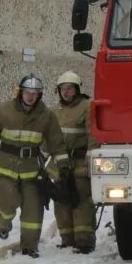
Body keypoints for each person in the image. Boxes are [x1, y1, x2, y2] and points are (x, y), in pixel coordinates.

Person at [0, 74, 69, 258]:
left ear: (39, 95)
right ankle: (4, 222)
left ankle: (30, 246)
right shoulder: (4, 110)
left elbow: (57, 142)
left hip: (32, 170)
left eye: (34, 94)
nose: (30, 97)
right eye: (27, 92)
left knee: (33, 210)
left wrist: (63, 165)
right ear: (20, 92)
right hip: (5, 166)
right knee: (6, 202)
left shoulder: (46, 116)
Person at [47, 71, 97, 254]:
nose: (66, 92)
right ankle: (67, 240)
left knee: (81, 202)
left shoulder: (87, 107)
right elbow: (49, 138)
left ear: (77, 89)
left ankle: (84, 242)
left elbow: (93, 134)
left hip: (80, 164)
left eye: (69, 88)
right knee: (61, 202)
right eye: (62, 89)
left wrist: (91, 156)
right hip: (60, 165)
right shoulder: (54, 111)